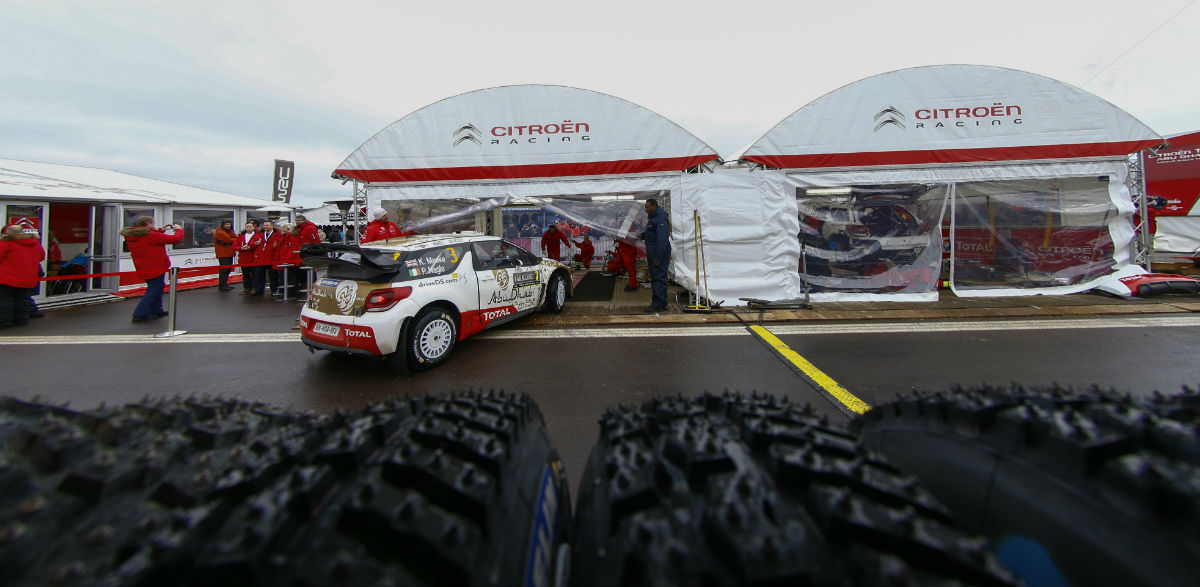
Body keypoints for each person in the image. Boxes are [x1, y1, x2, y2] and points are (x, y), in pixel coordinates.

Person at [120, 216, 184, 322]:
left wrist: (161, 230)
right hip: (155, 265)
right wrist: (179, 230)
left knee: (156, 287)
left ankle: (156, 309)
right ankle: (140, 313)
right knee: (154, 289)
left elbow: (152, 237)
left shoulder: (135, 235)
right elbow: (175, 239)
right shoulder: (150, 235)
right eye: (153, 223)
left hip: (144, 265)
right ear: (148, 224)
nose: (154, 224)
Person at [0, 225, 46, 328]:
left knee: (5, 300)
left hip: (7, 278)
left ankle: (4, 321)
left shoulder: (6, 243)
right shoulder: (35, 243)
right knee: (22, 299)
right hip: (27, 277)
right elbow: (41, 257)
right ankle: (21, 320)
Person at [638, 198, 671, 312]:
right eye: (645, 207)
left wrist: (657, 257)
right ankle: (663, 303)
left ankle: (657, 305)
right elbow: (652, 232)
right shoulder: (654, 218)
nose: (646, 209)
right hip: (654, 252)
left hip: (658, 253)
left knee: (658, 278)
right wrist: (642, 235)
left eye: (647, 207)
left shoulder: (660, 219)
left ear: (654, 206)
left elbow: (662, 240)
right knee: (660, 277)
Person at [236, 220, 263, 294]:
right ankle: (247, 288)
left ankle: (255, 288)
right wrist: (241, 248)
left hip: (253, 258)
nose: (248, 228)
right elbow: (235, 245)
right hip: (243, 258)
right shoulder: (241, 236)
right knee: (245, 274)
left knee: (255, 274)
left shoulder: (258, 235)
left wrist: (250, 246)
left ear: (253, 227)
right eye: (247, 227)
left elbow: (258, 244)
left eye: (250, 227)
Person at [259, 220, 283, 296]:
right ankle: (259, 290)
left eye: (267, 225)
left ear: (272, 226)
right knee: (260, 275)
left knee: (273, 276)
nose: (265, 227)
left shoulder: (277, 234)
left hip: (272, 258)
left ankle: (274, 290)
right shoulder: (260, 234)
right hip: (261, 258)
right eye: (264, 225)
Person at [213, 220, 237, 291]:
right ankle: (222, 285)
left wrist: (234, 238)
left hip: (229, 253)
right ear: (223, 225)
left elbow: (235, 238)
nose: (228, 225)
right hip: (223, 254)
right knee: (224, 270)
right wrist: (234, 239)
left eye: (229, 224)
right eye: (226, 224)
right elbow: (230, 240)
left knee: (228, 269)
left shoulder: (229, 231)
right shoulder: (220, 232)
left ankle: (225, 284)